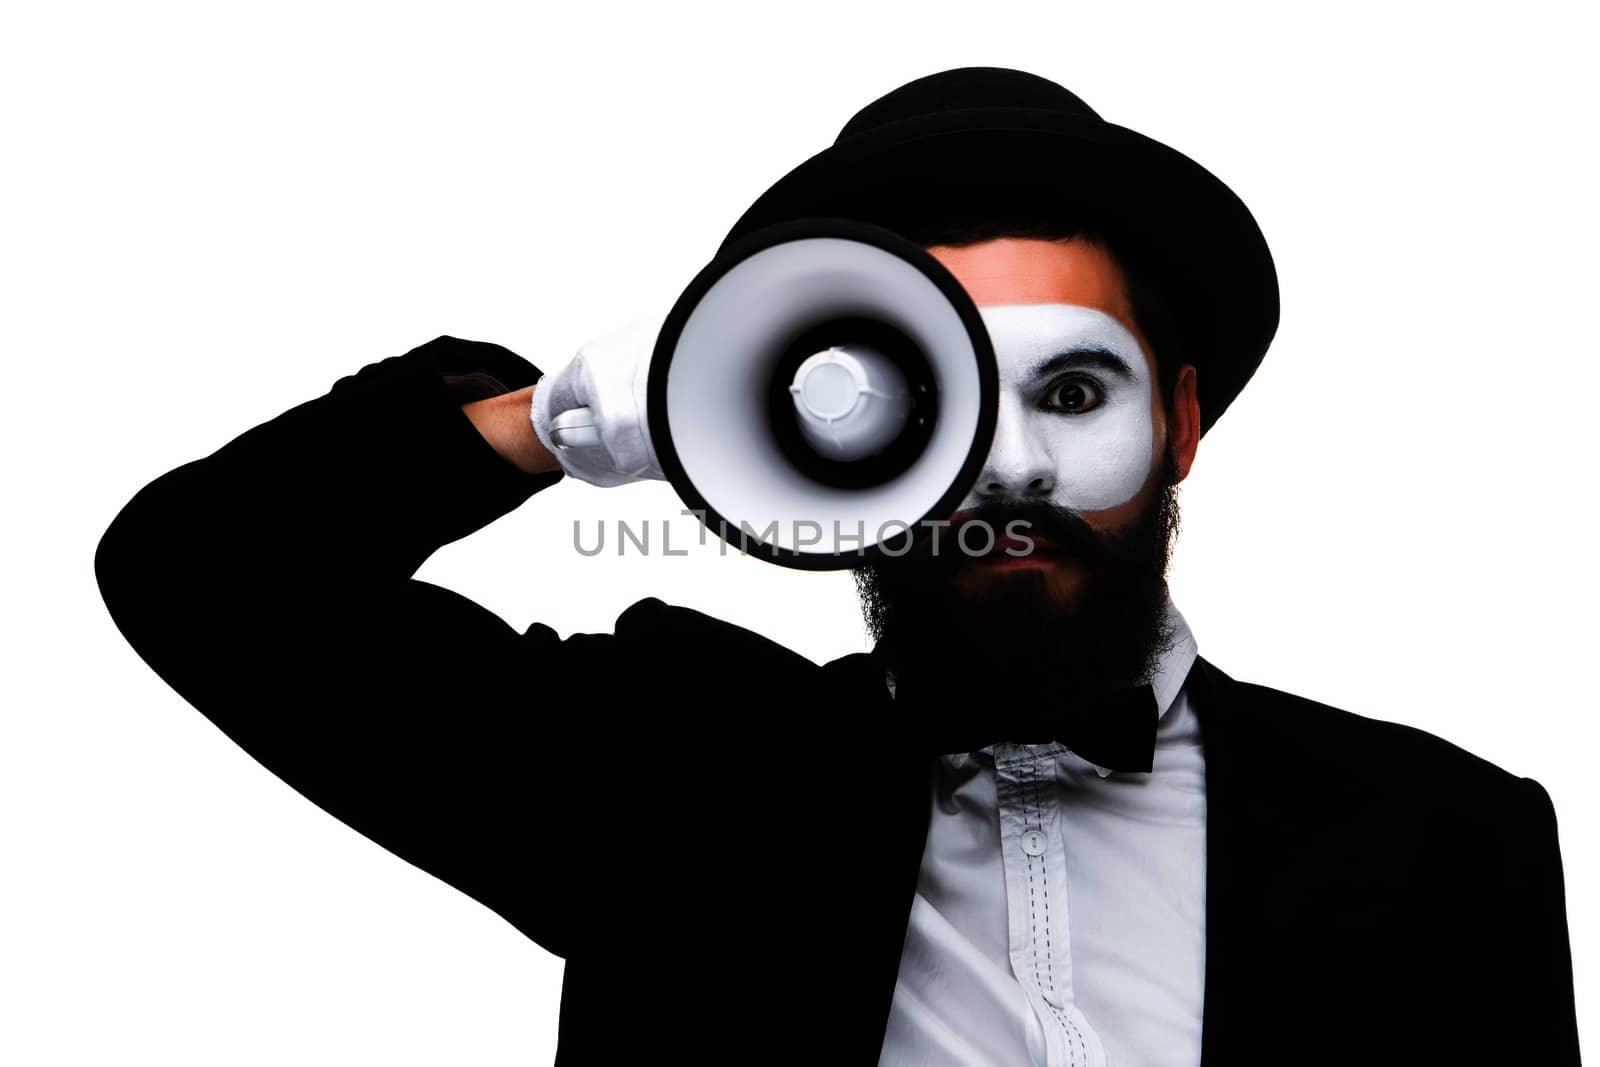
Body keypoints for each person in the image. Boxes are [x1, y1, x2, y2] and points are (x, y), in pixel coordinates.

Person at [93, 67, 1580, 1066]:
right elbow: (203, 577)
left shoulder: (1450, 837)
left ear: (1180, 423)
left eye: (1071, 392)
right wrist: (543, 424)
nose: (1007, 470)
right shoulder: (665, 778)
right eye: (935, 399)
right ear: (819, 440)